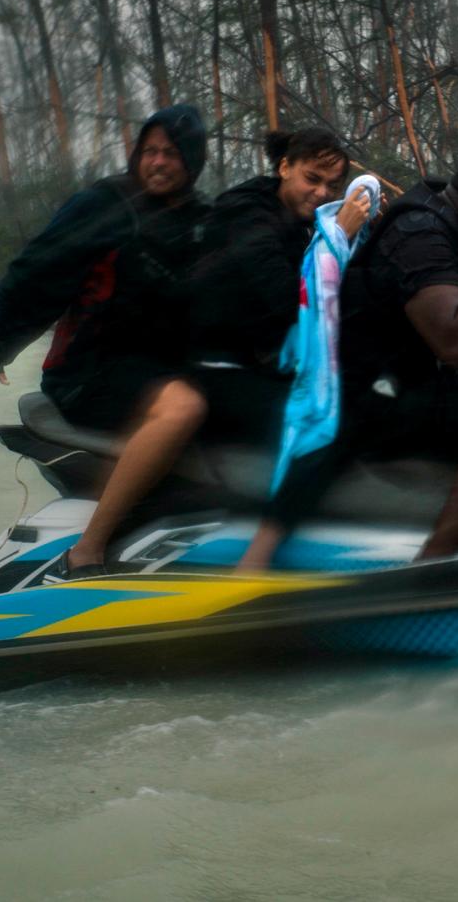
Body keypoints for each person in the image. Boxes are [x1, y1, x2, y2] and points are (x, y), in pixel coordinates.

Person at [238, 126, 458, 569]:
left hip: (400, 383)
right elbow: (456, 339)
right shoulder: (420, 232)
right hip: (365, 397)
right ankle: (432, 568)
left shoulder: (455, 226)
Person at [57, 127, 373, 577]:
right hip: (211, 368)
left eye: (332, 185)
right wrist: (339, 236)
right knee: (325, 423)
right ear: (284, 167)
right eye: (312, 178)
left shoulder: (305, 220)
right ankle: (247, 563)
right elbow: (287, 297)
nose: (322, 192)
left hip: (254, 364)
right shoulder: (246, 213)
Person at [0, 105, 209, 439]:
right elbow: (35, 274)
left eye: (172, 153)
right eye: (150, 151)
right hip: (88, 375)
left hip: (160, 366)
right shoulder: (106, 203)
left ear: (192, 161)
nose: (158, 162)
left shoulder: (201, 218)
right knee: (192, 410)